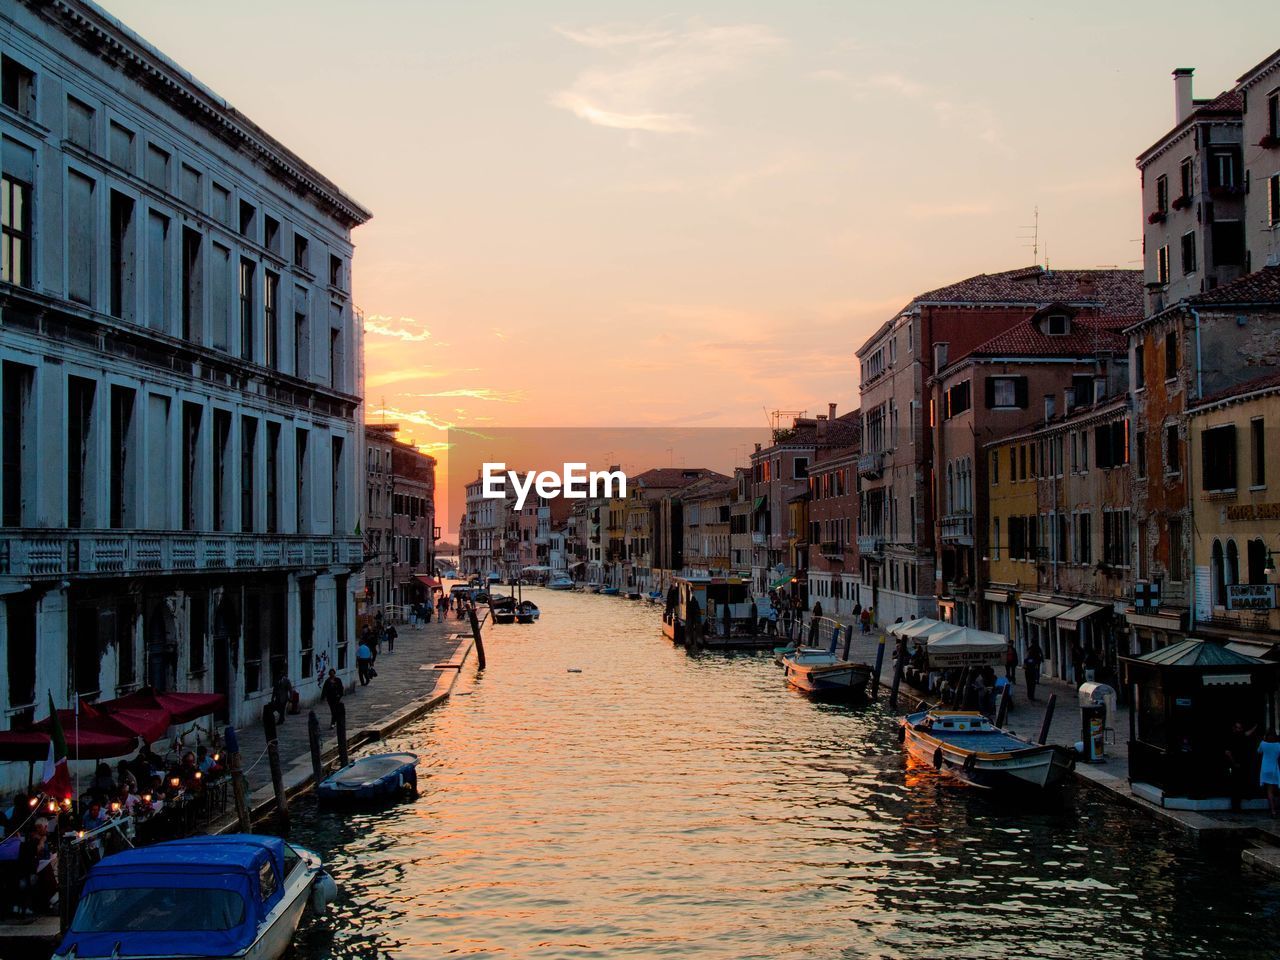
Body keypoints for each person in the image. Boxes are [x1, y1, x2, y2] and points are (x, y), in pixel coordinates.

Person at [1226, 721, 1259, 811]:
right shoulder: (1231, 738)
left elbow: (1247, 733)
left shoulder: (1241, 737)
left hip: (1241, 765)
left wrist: (1255, 726)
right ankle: (1235, 806)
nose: (1239, 729)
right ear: (1234, 728)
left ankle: (1238, 805)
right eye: (1238, 728)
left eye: (1240, 728)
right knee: (1235, 786)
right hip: (1234, 765)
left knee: (1240, 784)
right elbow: (1228, 753)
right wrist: (1234, 763)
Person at [1259, 729, 1280, 817]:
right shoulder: (1278, 745)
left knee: (1269, 791)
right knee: (1276, 790)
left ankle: (1273, 811)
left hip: (1265, 770)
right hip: (1274, 769)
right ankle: (1275, 808)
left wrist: (1263, 739)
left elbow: (1259, 751)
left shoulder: (1263, 744)